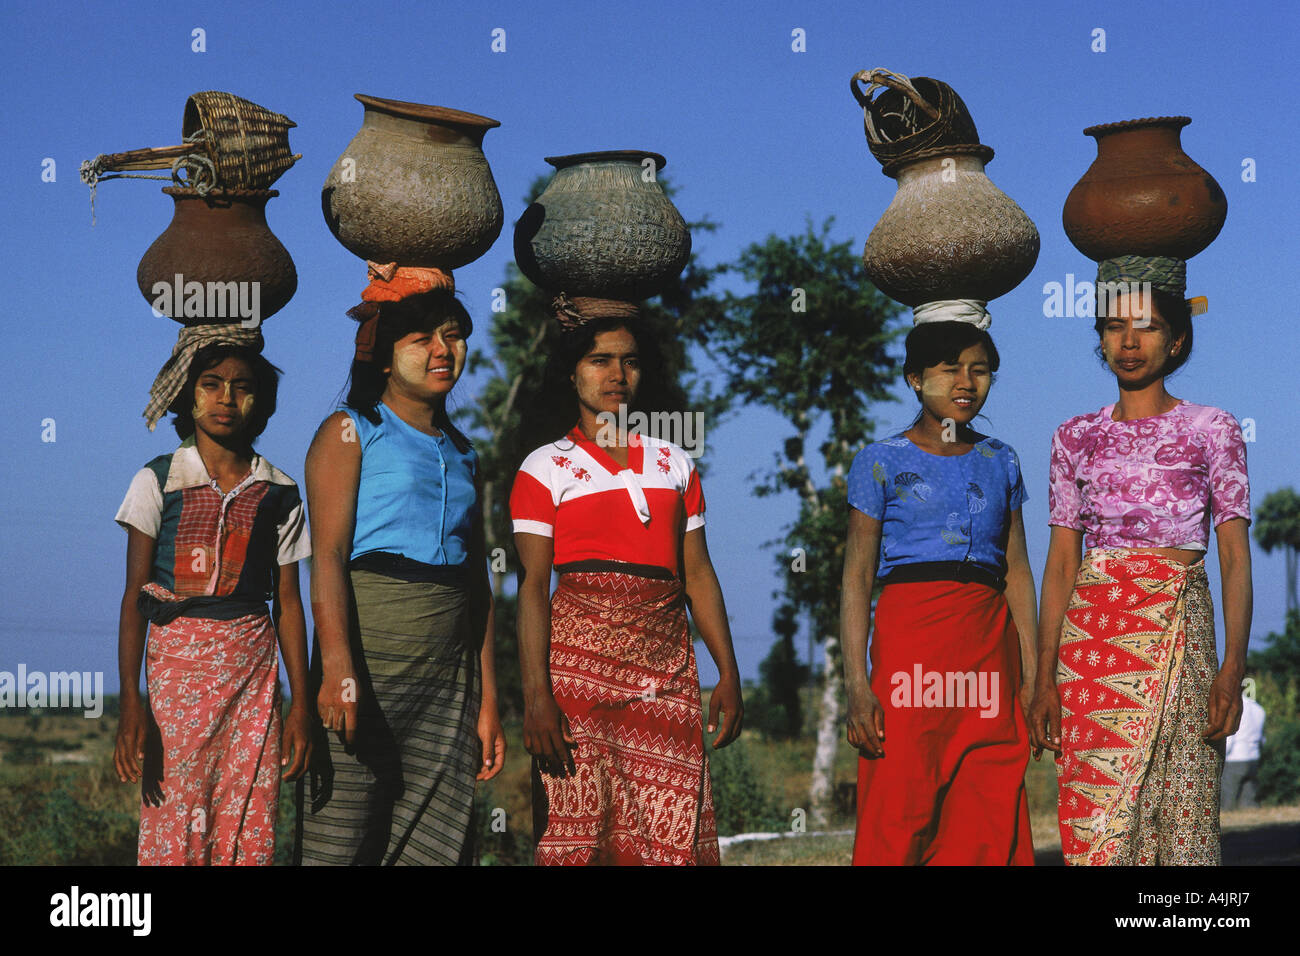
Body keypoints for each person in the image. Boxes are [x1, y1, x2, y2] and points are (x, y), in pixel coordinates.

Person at [1029, 256, 1252, 865]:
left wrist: (1233, 668)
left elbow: (1233, 556)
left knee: (1184, 811)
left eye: (1147, 327)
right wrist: (1043, 675)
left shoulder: (1214, 429)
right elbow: (1059, 564)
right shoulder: (1073, 436)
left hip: (1182, 627)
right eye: (1113, 327)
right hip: (1093, 645)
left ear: (1176, 339)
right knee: (1100, 819)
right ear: (1100, 339)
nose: (1128, 342)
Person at [510, 314, 742, 865]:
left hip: (666, 673)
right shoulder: (545, 468)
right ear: (572, 374)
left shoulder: (673, 461)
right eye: (600, 360)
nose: (617, 374)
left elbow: (699, 576)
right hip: (577, 679)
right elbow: (533, 587)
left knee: (671, 826)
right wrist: (537, 696)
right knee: (583, 828)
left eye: (629, 361)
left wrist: (728, 672)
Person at [297, 282, 505, 866]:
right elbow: (330, 557)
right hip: (368, 656)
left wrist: (488, 700)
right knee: (340, 834)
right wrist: (336, 663)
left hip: (448, 675)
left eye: (455, 336)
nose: (443, 350)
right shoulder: (349, 431)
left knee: (430, 839)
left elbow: (477, 586)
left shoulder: (466, 454)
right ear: (385, 356)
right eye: (422, 339)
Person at [842, 320, 1038, 866]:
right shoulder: (880, 460)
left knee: (987, 796)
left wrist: (1033, 674)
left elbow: (1018, 571)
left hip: (988, 646)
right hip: (911, 647)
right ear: (913, 379)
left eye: (980, 370)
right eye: (950, 368)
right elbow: (857, 578)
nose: (966, 381)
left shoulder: (1001, 459)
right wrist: (858, 685)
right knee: (901, 795)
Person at [114, 342, 312, 865]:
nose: (227, 398)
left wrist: (302, 705)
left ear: (262, 403)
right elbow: (135, 597)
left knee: (248, 804)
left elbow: (289, 605)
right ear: (189, 395)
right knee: (176, 805)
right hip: (176, 675)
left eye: (243, 387)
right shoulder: (156, 480)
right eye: (211, 384)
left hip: (254, 672)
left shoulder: (281, 492)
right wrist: (131, 703)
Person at [1222, 683, 1265, 810]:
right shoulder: (1258, 708)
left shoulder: (1234, 708)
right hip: (1253, 757)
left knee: (1227, 801)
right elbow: (1262, 736)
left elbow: (1230, 736)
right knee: (1249, 801)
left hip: (1235, 757)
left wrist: (1222, 756)